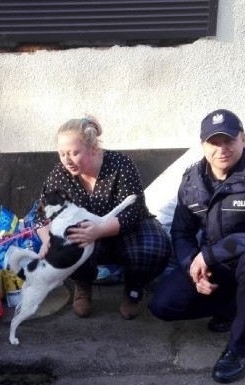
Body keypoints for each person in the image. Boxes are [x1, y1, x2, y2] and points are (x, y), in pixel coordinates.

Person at [148, 109, 245, 384]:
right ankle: (236, 306)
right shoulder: (192, 179)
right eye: (214, 142)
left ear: (244, 139)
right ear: (203, 145)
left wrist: (211, 253)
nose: (222, 149)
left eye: (229, 140)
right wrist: (192, 267)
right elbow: (181, 231)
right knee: (163, 305)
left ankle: (240, 349)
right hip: (215, 263)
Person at [37, 115, 170, 320]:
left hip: (125, 229)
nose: (67, 160)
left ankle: (133, 290)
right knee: (64, 246)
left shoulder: (120, 164)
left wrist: (99, 230)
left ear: (92, 148)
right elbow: (41, 216)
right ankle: (83, 284)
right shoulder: (59, 175)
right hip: (84, 234)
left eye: (74, 153)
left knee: (154, 247)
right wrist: (47, 240)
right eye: (62, 153)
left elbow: (134, 210)